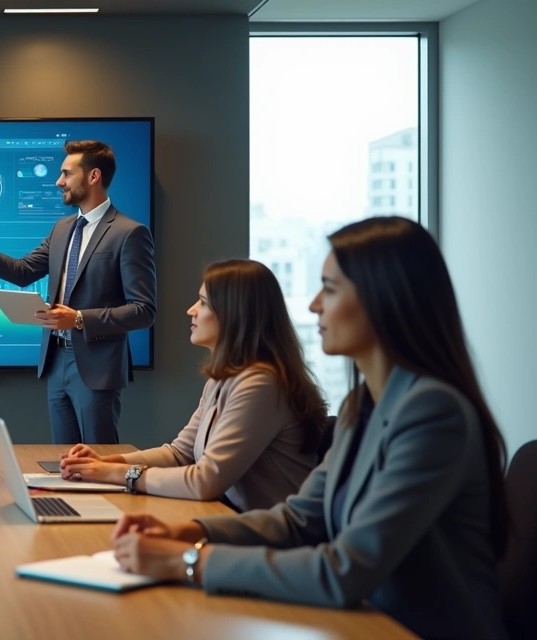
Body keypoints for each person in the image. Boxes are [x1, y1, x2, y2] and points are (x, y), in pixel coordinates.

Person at [109, 217, 509, 640]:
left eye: (330, 289)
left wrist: (186, 561)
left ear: (385, 301)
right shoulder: (362, 406)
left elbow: (344, 569)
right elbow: (299, 519)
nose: (315, 303)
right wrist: (192, 530)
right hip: (362, 620)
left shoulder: (433, 413)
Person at [60, 260, 326, 512]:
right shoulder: (224, 378)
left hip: (270, 542)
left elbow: (204, 481)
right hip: (232, 521)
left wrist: (117, 474)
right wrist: (104, 463)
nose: (191, 310)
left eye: (203, 302)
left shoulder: (260, 384)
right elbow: (180, 454)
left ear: (235, 315)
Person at [0, 140, 156, 444]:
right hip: (55, 363)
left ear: (93, 176)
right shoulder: (62, 228)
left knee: (98, 461)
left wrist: (78, 318)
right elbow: (23, 271)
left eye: (66, 173)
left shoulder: (129, 233)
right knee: (63, 460)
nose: (59, 181)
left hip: (96, 368)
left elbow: (144, 310)